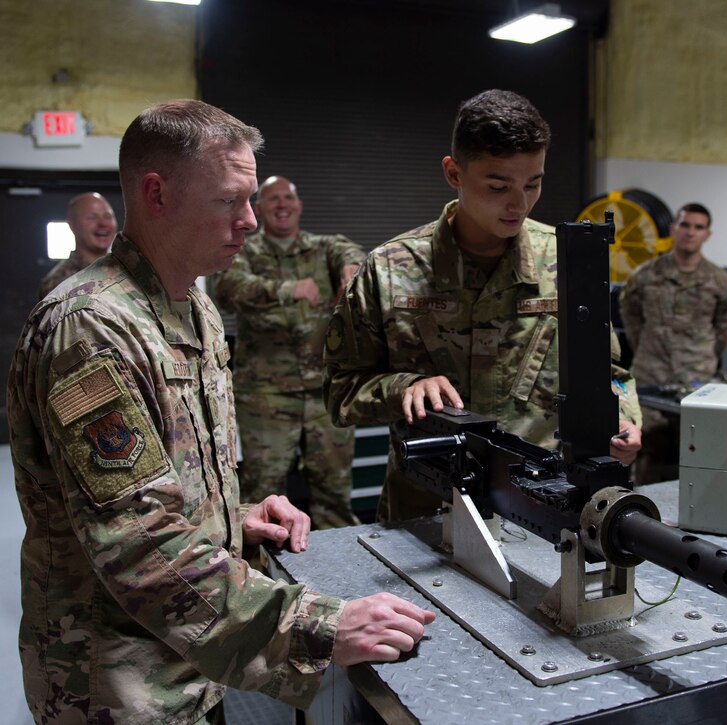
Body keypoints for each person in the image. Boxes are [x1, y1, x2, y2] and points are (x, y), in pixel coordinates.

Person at [7, 99, 434, 724]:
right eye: (229, 200)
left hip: (192, 661)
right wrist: (315, 627)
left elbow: (153, 484)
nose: (250, 220)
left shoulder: (194, 309)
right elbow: (135, 542)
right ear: (157, 194)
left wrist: (228, 517)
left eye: (251, 199)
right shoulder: (91, 328)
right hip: (117, 685)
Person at [324, 89, 642, 523]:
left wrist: (623, 419)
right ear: (454, 173)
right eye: (498, 186)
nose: (519, 203)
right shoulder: (390, 269)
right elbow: (340, 392)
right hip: (425, 510)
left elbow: (611, 374)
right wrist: (402, 387)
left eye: (533, 183)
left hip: (542, 511)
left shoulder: (569, 263)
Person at [215, 176, 364, 529]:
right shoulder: (244, 251)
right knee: (262, 494)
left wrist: (352, 268)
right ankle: (263, 560)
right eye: (272, 199)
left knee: (334, 494)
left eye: (288, 198)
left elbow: (350, 251)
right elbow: (228, 288)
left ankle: (340, 561)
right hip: (266, 399)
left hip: (324, 396)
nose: (282, 205)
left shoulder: (323, 247)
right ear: (259, 208)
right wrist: (287, 289)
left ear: (299, 205)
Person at [619, 203, 727, 485]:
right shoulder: (644, 276)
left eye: (698, 227)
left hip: (696, 380)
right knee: (645, 451)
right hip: (650, 376)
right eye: (685, 225)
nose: (690, 232)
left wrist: (702, 355)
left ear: (707, 235)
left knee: (697, 453)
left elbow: (726, 326)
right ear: (673, 229)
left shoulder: (721, 282)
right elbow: (631, 318)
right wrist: (649, 349)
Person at [39, 191, 117, 298]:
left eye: (108, 216)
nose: (103, 223)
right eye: (92, 217)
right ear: (72, 225)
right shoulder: (60, 283)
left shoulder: (122, 270)